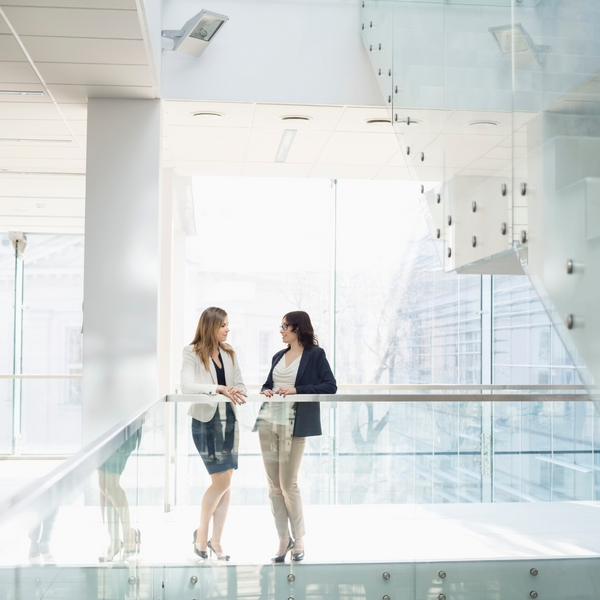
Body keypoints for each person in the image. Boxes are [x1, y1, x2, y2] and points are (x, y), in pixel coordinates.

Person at [253, 310, 336, 562]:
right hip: (268, 420)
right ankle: (283, 538)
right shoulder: (279, 355)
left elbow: (330, 386)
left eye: (285, 326)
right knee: (273, 486)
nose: (281, 330)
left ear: (298, 328)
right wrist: (267, 391)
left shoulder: (315, 355)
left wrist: (297, 389)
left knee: (288, 483)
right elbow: (268, 384)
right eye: (280, 326)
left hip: (294, 423)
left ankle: (299, 539)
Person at [181, 307, 247, 561]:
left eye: (228, 325)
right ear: (210, 327)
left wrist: (234, 390)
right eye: (223, 325)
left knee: (226, 484)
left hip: (229, 420)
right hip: (205, 421)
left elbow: (239, 384)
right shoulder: (191, 352)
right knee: (221, 482)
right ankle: (201, 535)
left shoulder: (229, 353)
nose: (228, 329)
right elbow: (186, 386)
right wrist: (218, 388)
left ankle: (216, 541)